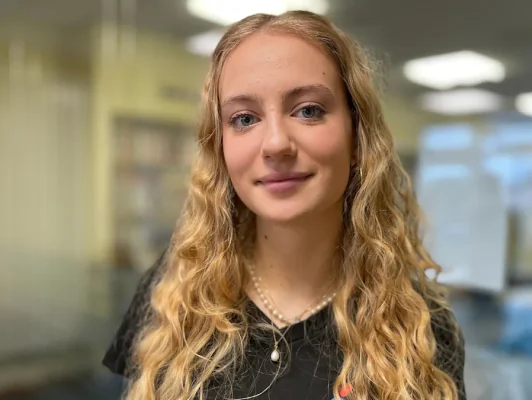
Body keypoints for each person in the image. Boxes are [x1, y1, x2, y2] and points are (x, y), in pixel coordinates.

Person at [103, 10, 466, 400]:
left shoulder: (419, 327)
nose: (276, 144)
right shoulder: (173, 294)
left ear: (357, 138)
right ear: (220, 147)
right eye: (244, 119)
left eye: (309, 110)